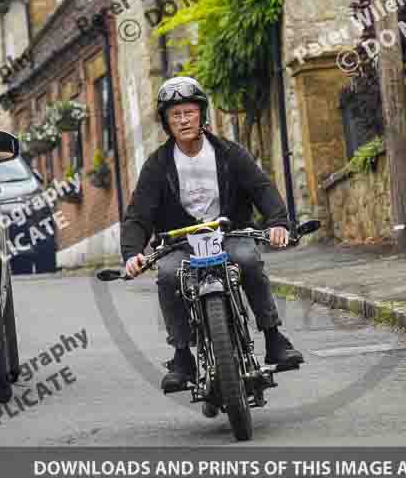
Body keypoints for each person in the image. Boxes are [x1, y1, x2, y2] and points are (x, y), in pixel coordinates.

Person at [121, 76, 303, 393]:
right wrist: (132, 253)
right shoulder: (157, 165)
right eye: (175, 115)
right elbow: (139, 213)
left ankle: (274, 337)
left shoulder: (230, 153)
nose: (183, 120)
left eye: (188, 112)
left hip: (229, 234)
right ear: (166, 122)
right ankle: (181, 356)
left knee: (248, 259)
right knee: (167, 274)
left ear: (202, 115)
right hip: (180, 242)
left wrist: (277, 222)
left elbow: (261, 187)